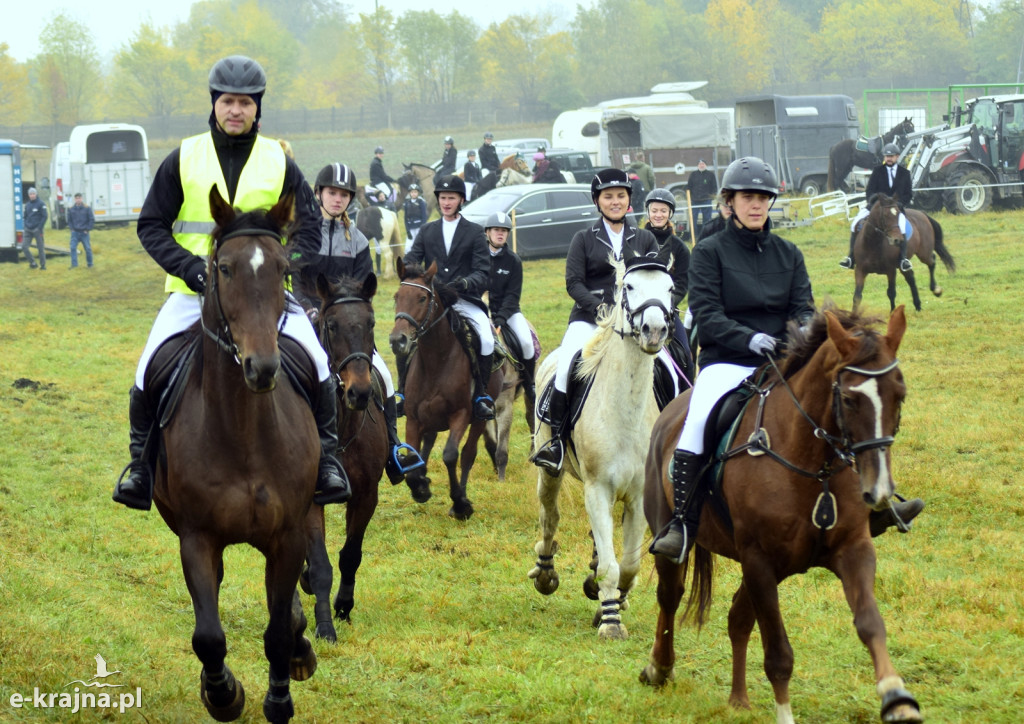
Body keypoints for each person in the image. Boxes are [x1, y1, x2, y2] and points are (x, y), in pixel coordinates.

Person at [649, 157, 923, 563]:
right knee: (698, 423)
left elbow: (802, 308)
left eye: (762, 197)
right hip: (726, 362)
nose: (756, 204)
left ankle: (871, 507)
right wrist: (748, 337)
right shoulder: (708, 252)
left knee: (834, 413)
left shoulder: (788, 253)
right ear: (730, 202)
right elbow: (707, 313)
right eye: (747, 198)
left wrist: (796, 335)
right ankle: (683, 523)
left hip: (782, 358)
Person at [112, 54, 350, 511]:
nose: (235, 110)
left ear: (257, 107)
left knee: (318, 364)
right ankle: (140, 469)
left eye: (244, 103)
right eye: (227, 102)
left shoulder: (279, 161)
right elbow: (151, 224)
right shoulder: (184, 157)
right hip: (193, 293)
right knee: (146, 372)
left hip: (264, 296)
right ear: (214, 104)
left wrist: (285, 265)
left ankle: (328, 463)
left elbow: (309, 229)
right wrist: (190, 269)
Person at [295, 162, 426, 485]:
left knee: (381, 373)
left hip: (346, 323)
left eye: (343, 194)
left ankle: (394, 447)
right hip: (306, 318)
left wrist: (347, 314)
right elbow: (296, 281)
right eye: (332, 193)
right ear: (319, 194)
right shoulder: (300, 235)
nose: (338, 199)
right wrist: (311, 309)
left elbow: (364, 286)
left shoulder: (357, 241)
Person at [530, 168, 659, 474]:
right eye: (608, 197)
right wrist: (600, 309)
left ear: (629, 200)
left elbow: (654, 281)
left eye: (621, 196)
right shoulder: (583, 239)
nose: (615, 202)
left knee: (667, 364)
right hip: (590, 319)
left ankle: (671, 433)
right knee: (568, 363)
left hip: (634, 321)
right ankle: (556, 441)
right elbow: (574, 283)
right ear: (598, 201)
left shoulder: (644, 237)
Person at [401, 175, 496, 421]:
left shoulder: (474, 232)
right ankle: (402, 393)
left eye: (451, 198)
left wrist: (465, 283)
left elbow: (482, 272)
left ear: (461, 200)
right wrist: (413, 272)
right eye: (442, 198)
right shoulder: (427, 230)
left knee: (485, 338)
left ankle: (480, 396)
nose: (446, 202)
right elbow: (412, 257)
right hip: (433, 302)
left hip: (464, 300)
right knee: (405, 334)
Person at [643, 188, 692, 392]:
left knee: (687, 356)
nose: (658, 215)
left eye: (663, 211)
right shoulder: (636, 240)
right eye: (655, 210)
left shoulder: (679, 247)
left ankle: (687, 395)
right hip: (638, 310)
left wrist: (668, 304)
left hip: (668, 312)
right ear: (648, 212)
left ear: (670, 214)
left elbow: (682, 282)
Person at [485, 211, 535, 406]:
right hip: (481, 310)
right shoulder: (478, 256)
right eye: (496, 230)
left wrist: (500, 319)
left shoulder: (513, 261)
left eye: (504, 231)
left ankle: (529, 384)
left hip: (508, 312)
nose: (500, 234)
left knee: (526, 343)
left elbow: (513, 296)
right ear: (488, 232)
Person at [841, 142, 914, 271]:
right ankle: (851, 257)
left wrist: (899, 204)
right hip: (876, 207)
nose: (889, 159)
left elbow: (908, 194)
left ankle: (903, 260)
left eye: (891, 156)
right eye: (887, 156)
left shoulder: (905, 173)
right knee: (855, 224)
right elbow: (869, 191)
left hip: (895, 209)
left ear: (897, 157)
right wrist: (875, 201)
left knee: (901, 226)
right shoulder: (877, 171)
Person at [686, 159, 718, 237]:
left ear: (705, 165)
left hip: (706, 200)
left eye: (703, 164)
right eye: (700, 164)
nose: (701, 165)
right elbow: (688, 187)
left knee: (707, 219)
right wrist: (689, 197)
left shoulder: (710, 175)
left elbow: (714, 187)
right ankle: (694, 237)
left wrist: (711, 197)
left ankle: (706, 236)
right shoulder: (693, 174)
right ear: (698, 165)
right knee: (693, 219)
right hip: (694, 200)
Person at [21, 187, 47, 270]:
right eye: (30, 194)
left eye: (33, 194)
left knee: (40, 248)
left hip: (37, 229)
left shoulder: (41, 204)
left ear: (36, 194)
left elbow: (45, 216)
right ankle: (32, 262)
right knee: (24, 247)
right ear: (28, 195)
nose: (32, 195)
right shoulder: (27, 205)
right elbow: (25, 216)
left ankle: (43, 265)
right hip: (28, 229)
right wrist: (25, 225)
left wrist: (39, 227)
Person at [67, 193, 95, 268]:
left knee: (88, 248)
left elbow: (91, 219)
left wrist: (87, 229)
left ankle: (90, 264)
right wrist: (72, 229)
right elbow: (69, 221)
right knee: (72, 248)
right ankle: (74, 265)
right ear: (74, 199)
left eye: (79, 198)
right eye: (76, 198)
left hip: (84, 232)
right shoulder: (71, 209)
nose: (78, 199)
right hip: (75, 232)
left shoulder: (87, 208)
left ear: (81, 199)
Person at [402, 182, 428, 253]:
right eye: (412, 192)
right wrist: (407, 231)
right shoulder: (407, 203)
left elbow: (424, 217)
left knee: (420, 246)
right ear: (410, 193)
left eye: (415, 192)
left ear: (418, 193)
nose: (414, 194)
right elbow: (405, 218)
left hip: (419, 227)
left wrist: (422, 229)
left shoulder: (421, 202)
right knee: (408, 248)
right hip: (411, 228)